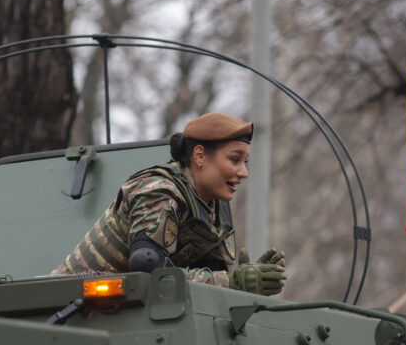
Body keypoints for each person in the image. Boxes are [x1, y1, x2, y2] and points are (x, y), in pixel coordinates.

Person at [52, 112, 286, 295]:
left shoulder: (215, 207)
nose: (244, 172)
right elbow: (148, 268)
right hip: (66, 305)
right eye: (235, 159)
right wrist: (233, 282)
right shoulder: (158, 190)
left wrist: (248, 283)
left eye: (245, 161)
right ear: (199, 156)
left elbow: (211, 278)